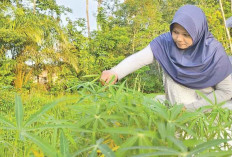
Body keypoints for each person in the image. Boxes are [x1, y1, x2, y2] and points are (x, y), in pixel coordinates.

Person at [100, 5, 232, 111]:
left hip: (207, 110)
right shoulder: (165, 43)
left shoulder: (214, 51)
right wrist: (115, 72)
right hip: (176, 110)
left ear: (198, 33)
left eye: (186, 34)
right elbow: (139, 59)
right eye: (175, 32)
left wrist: (191, 109)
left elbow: (226, 91)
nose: (179, 39)